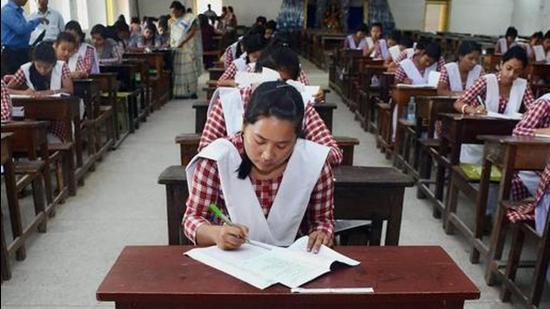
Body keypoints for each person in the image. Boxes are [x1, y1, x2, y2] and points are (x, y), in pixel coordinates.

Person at [183, 80, 335, 251]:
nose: (267, 155)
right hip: (232, 259)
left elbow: (322, 220)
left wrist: (322, 233)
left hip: (292, 262)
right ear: (243, 125)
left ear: (297, 138)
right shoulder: (217, 160)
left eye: (282, 145)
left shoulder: (314, 164)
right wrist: (216, 234)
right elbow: (193, 218)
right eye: (259, 141)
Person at [201, 43, 340, 165]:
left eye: (282, 83)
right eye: (268, 80)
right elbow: (205, 151)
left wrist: (286, 151)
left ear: (293, 83)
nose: (273, 89)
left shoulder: (300, 104)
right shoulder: (229, 103)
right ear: (256, 74)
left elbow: (334, 153)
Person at [6, 42, 73, 142]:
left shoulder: (61, 66)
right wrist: (24, 93)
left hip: (57, 117)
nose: (42, 70)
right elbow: (5, 90)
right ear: (33, 61)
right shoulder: (25, 69)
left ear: (53, 64)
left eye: (47, 67)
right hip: (33, 116)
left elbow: (69, 89)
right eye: (39, 66)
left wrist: (50, 92)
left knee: (53, 140)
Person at [1, 0, 49, 77]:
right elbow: (21, 29)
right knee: (13, 81)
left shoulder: (18, 11)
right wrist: (37, 21)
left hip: (22, 51)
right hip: (12, 54)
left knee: (25, 79)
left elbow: (24, 29)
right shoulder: (7, 11)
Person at [170, 1, 203, 99]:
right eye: (172, 12)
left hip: (188, 48)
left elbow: (193, 31)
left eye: (175, 12)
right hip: (178, 48)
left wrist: (183, 42)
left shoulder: (190, 18)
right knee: (179, 70)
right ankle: (180, 93)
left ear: (180, 10)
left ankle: (192, 91)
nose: (173, 14)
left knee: (189, 70)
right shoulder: (174, 20)